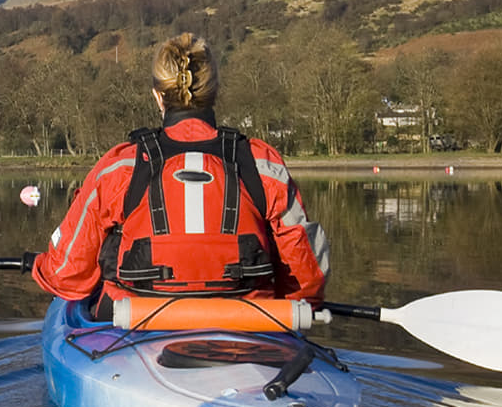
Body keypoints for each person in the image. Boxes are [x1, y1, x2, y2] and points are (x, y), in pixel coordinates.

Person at [31, 33, 328, 311]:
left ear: (158, 97)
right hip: (247, 331)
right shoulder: (264, 166)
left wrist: (40, 266)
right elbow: (306, 282)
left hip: (132, 331)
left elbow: (65, 276)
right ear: (215, 93)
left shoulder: (119, 167)